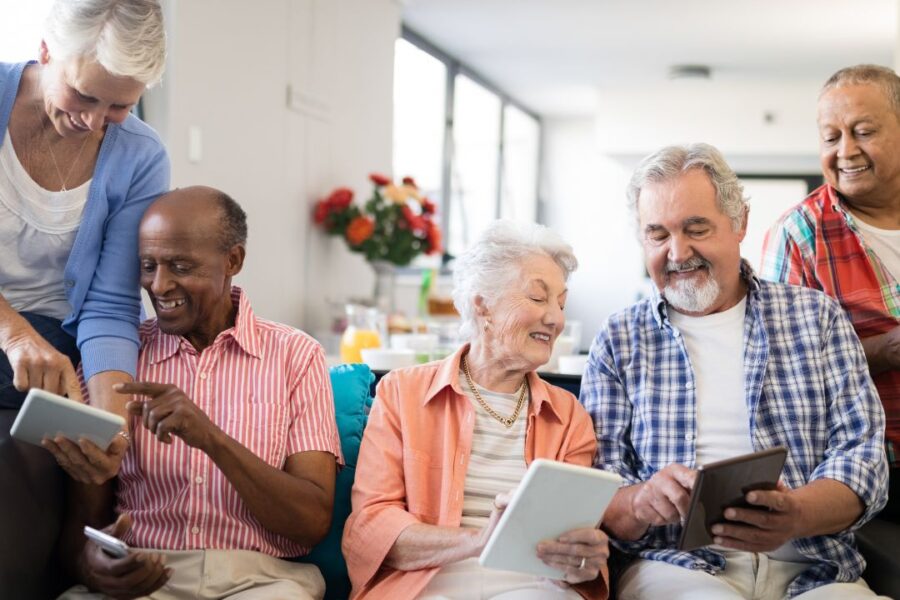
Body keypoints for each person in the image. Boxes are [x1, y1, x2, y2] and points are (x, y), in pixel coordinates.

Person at [582, 143, 888, 599]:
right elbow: (596, 491)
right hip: (677, 568)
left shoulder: (815, 318)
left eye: (696, 228)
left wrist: (797, 513)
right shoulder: (620, 338)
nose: (677, 252)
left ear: (740, 222)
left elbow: (864, 460)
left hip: (816, 569)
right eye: (657, 234)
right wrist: (643, 500)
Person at [53, 187, 343, 599]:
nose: (159, 284)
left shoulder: (295, 355)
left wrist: (212, 439)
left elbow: (311, 521)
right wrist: (93, 565)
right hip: (144, 579)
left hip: (259, 582)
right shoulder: (113, 359)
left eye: (181, 266)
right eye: (148, 266)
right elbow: (79, 530)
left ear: (233, 261)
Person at [343, 220, 609, 600]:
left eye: (561, 303)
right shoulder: (402, 393)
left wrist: (584, 560)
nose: (556, 318)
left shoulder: (569, 416)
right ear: (483, 306)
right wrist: (479, 540)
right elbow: (372, 527)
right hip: (426, 584)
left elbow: (571, 545)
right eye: (538, 298)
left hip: (532, 587)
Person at [0, 0, 169, 483]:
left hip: (58, 351)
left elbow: (110, 303)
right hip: (18, 342)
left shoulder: (142, 156)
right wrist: (14, 335)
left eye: (120, 106)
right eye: (84, 95)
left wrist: (111, 428)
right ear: (46, 50)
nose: (94, 122)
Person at [761, 64, 900, 522]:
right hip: (874, 472)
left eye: (863, 131)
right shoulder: (799, 235)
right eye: (830, 137)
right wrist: (886, 349)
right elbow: (785, 373)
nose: (846, 151)